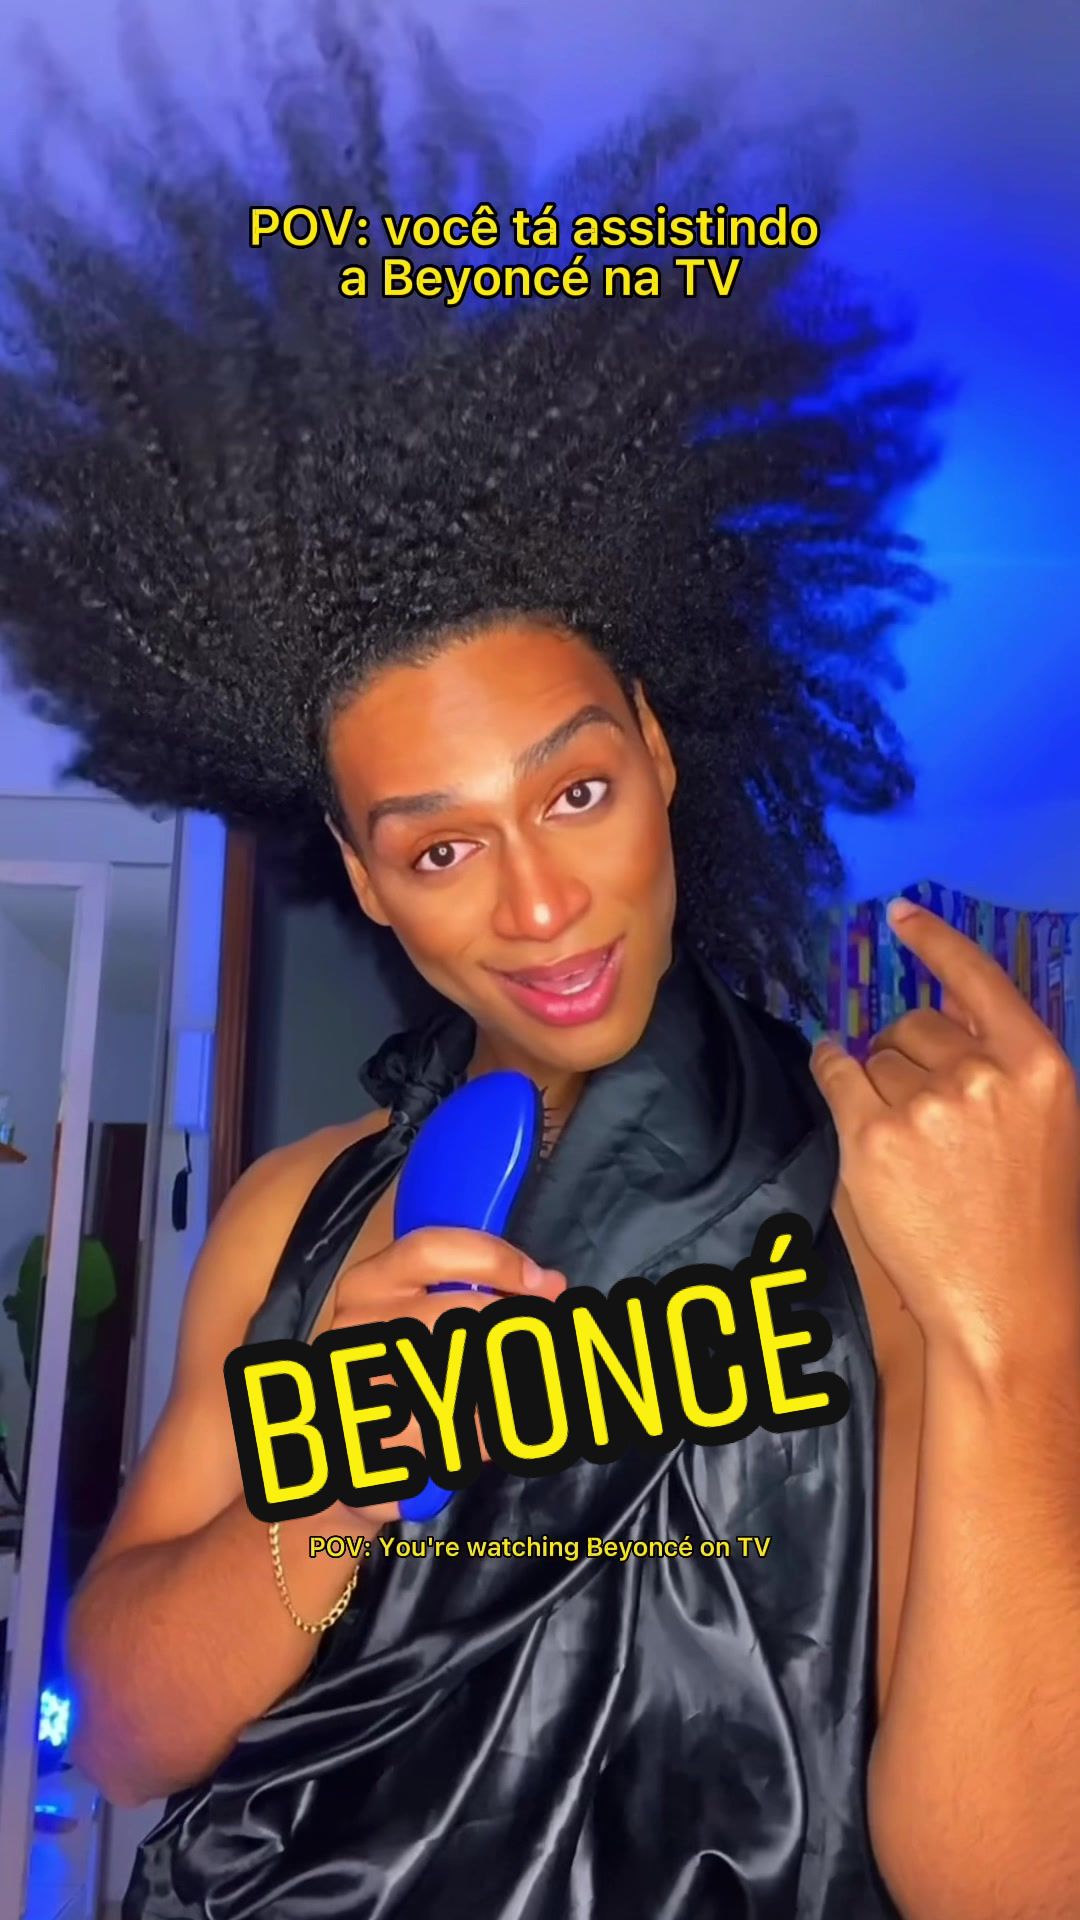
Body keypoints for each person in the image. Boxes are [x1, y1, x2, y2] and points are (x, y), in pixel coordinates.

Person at [2, 21, 1078, 1920]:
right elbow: (132, 1735)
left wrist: (1018, 1331)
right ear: (369, 884)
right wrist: (339, 1470)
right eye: (439, 846)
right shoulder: (294, 1219)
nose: (539, 906)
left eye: (574, 791)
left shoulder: (898, 1199)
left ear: (659, 755)